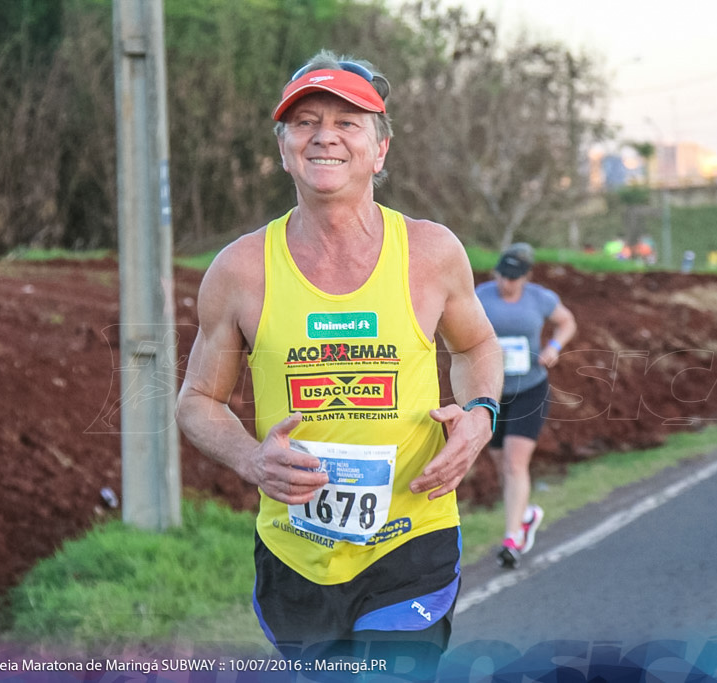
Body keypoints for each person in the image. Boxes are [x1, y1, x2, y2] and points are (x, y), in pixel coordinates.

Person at [175, 50, 503, 675]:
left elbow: (477, 347)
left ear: (380, 149)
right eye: (304, 122)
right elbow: (197, 401)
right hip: (295, 556)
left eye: (348, 121)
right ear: (283, 149)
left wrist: (481, 414)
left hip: (411, 540)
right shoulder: (240, 269)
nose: (325, 134)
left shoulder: (431, 253)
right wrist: (250, 458)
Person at [475, 243, 576, 569]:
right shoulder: (480, 295)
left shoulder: (539, 298)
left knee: (516, 464)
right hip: (492, 392)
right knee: (501, 461)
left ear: (526, 278)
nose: (507, 283)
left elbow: (567, 322)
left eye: (514, 278)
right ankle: (526, 514)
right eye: (503, 276)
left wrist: (554, 347)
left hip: (530, 389)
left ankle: (511, 538)